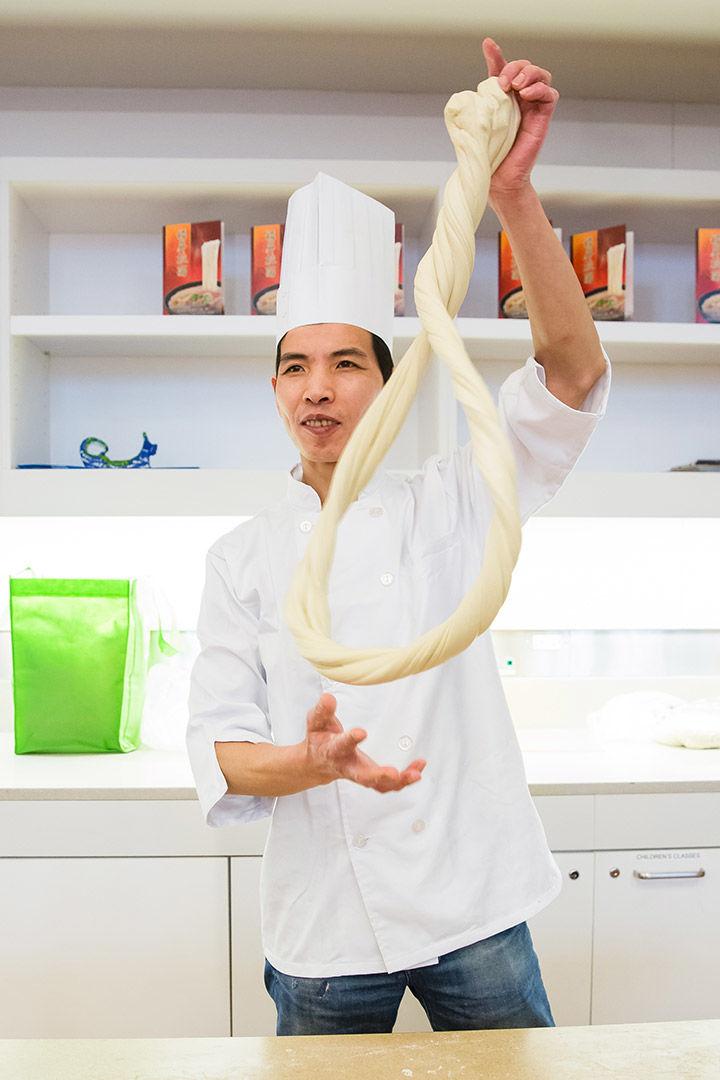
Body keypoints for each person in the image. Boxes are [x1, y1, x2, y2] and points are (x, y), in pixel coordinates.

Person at [186, 37, 611, 1036]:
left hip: (476, 902)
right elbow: (222, 750)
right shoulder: (241, 559)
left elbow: (574, 374)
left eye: (345, 363)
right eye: (295, 367)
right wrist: (317, 763)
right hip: (327, 924)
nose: (319, 388)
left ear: (390, 383)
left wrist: (511, 195)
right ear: (277, 389)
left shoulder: (456, 496)